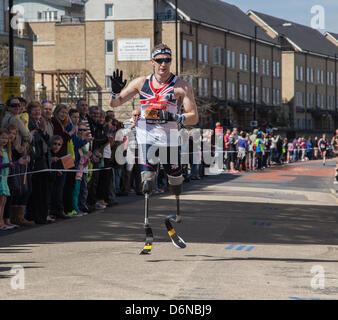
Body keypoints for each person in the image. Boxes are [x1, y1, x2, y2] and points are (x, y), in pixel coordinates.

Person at [109, 43, 198, 253]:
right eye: (159, 60)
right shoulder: (141, 83)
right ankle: (148, 229)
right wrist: (113, 92)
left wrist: (176, 116)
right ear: (152, 62)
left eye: (167, 60)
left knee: (175, 181)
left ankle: (174, 214)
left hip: (170, 140)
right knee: (147, 183)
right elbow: (115, 104)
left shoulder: (181, 87)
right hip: (147, 137)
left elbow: (194, 117)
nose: (163, 64)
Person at [0, 128, 29, 230]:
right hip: (1, 178)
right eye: (3, 138)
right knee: (1, 202)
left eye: (6, 139)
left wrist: (18, 162)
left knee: (3, 202)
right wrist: (10, 164)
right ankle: (1, 222)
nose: (5, 140)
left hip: (5, 179)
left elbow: (10, 164)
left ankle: (4, 221)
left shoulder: (6, 150)